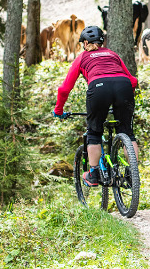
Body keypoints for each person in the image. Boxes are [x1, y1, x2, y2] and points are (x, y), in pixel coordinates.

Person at [52, 26, 139, 187]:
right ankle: (132, 172)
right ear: (102, 41)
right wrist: (126, 100)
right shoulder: (113, 54)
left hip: (99, 88)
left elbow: (64, 89)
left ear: (85, 43)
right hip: (124, 86)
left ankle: (93, 174)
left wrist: (59, 110)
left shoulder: (82, 58)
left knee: (94, 132)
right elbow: (132, 80)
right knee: (127, 132)